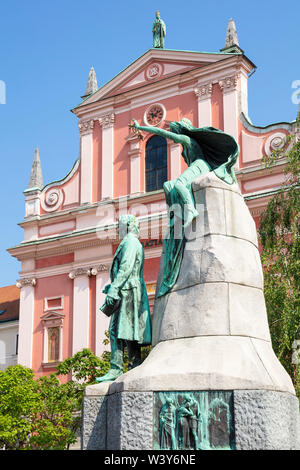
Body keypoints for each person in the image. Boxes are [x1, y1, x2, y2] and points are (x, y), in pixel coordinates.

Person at [130, 118, 239, 297]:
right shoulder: (188, 144)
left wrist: (141, 127)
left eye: (176, 130)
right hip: (200, 167)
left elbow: (163, 133)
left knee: (180, 184)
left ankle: (190, 209)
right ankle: (185, 210)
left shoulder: (188, 140)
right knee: (171, 185)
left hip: (201, 166)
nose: (174, 134)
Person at [95, 215, 152, 383]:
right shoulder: (133, 241)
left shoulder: (130, 241)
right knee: (128, 330)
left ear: (127, 226)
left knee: (116, 330)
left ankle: (116, 368)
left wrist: (114, 288)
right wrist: (112, 287)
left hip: (128, 290)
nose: (118, 230)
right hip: (129, 289)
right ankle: (134, 364)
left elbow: (126, 267)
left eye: (120, 226)